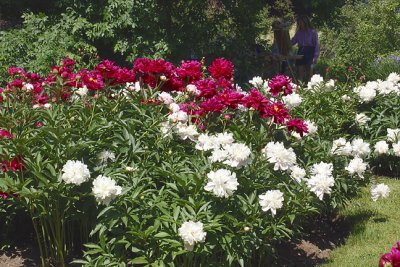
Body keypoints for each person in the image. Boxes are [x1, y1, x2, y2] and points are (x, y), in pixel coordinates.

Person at [291, 15, 320, 82]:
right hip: (301, 51)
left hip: (310, 51)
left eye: (302, 22)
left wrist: (315, 57)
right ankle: (300, 87)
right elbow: (292, 41)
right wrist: (285, 42)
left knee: (310, 72)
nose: (301, 24)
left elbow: (316, 44)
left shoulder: (313, 32)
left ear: (306, 22)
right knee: (300, 72)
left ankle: (311, 88)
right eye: (299, 23)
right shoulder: (298, 33)